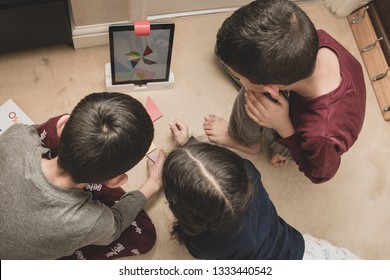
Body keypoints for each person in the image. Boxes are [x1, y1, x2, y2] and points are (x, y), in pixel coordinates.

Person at [203, 0, 366, 183]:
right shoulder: (314, 39)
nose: (239, 79)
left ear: (272, 89)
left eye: (239, 77)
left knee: (249, 97)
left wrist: (284, 127)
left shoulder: (321, 135)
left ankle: (248, 142)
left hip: (304, 137)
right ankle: (280, 143)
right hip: (298, 99)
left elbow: (320, 174)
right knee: (223, 52)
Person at [0, 92, 165, 260]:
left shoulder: (16, 135)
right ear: (115, 181)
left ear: (62, 125)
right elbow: (117, 223)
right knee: (145, 234)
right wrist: (152, 184)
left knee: (42, 132)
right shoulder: (91, 221)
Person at [164, 119, 360, 259]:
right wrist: (189, 145)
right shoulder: (250, 173)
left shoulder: (202, 244)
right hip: (305, 253)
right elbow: (216, 178)